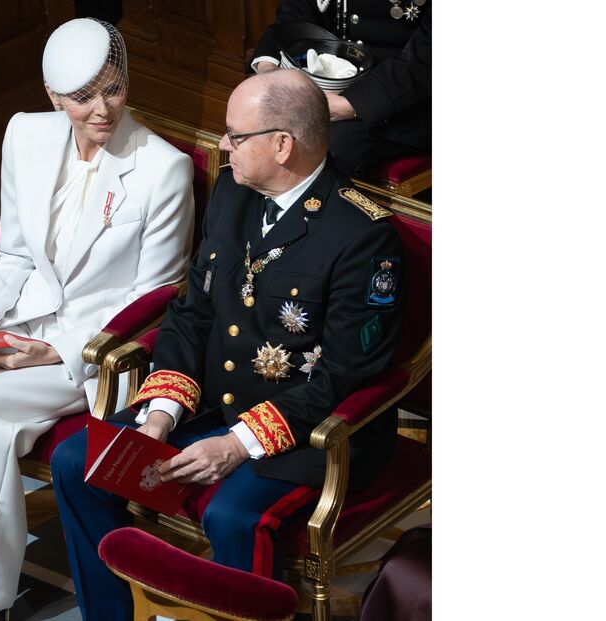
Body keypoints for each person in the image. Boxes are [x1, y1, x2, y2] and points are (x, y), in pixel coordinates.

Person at [50, 68, 405, 621]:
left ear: (282, 145)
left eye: (235, 135)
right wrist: (161, 414)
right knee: (77, 461)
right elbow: (192, 314)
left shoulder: (362, 236)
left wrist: (237, 446)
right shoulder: (235, 196)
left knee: (234, 517)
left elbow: (343, 376)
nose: (222, 145)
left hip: (304, 436)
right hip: (210, 404)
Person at [0, 18, 193, 621]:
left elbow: (155, 295)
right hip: (17, 324)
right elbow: (13, 255)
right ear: (54, 98)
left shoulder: (163, 169)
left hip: (91, 353)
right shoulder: (25, 136)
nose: (102, 109)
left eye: (113, 88)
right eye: (83, 97)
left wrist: (54, 351)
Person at [251, 0, 431, 176]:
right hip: (330, 79)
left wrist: (355, 103)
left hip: (403, 100)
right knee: (254, 115)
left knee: (324, 141)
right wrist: (270, 65)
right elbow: (297, 10)